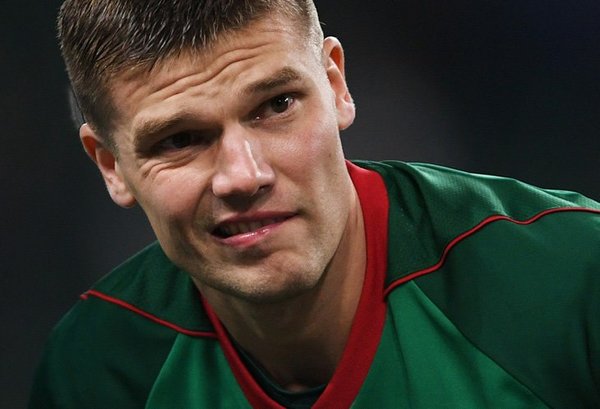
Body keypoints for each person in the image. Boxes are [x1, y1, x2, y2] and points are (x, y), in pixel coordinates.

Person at [29, 0, 600, 408]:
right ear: (112, 166)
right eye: (180, 140)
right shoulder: (98, 367)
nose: (243, 176)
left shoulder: (570, 282)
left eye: (277, 105)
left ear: (336, 85)